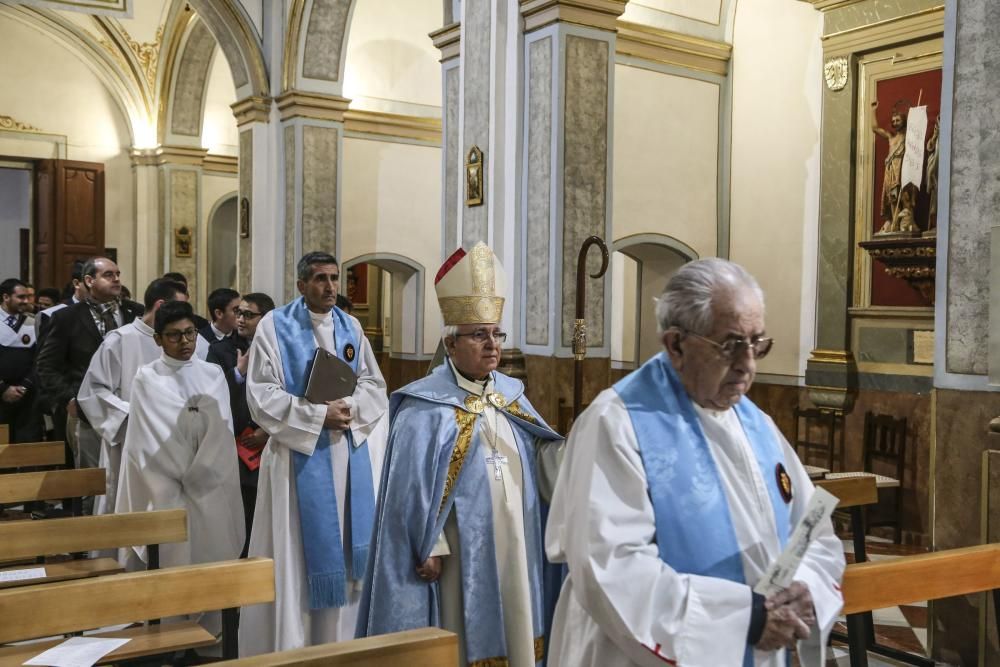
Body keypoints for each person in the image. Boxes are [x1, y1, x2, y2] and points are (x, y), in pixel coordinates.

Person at [544, 258, 845, 667]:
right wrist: (746, 620)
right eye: (731, 344)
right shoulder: (616, 424)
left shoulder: (757, 425)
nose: (748, 364)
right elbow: (612, 569)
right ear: (676, 345)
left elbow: (813, 534)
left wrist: (807, 588)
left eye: (757, 343)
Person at [357, 242, 563, 667]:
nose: (492, 345)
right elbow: (407, 490)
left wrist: (575, 463)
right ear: (450, 345)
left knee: (519, 627)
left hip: (516, 540)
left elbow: (542, 455)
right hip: (462, 556)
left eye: (497, 334)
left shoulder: (512, 396)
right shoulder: (423, 407)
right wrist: (430, 541)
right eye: (479, 335)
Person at [239, 251, 388, 655]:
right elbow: (261, 394)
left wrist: (349, 412)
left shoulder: (350, 325)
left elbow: (375, 385)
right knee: (296, 558)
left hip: (345, 457)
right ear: (302, 284)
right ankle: (295, 648)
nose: (330, 287)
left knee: (344, 549)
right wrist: (317, 416)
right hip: (296, 460)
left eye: (335, 278)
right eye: (320, 279)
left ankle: (343, 648)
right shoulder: (274, 325)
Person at [114, 300, 244, 577]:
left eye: (190, 333)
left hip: (210, 483)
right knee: (170, 561)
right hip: (166, 485)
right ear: (158, 339)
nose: (184, 341)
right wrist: (188, 475)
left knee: (211, 566)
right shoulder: (147, 378)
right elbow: (150, 438)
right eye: (174, 335)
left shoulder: (213, 374)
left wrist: (203, 472)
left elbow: (222, 433)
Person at [77, 278, 206, 517]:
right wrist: (137, 417)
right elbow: (93, 391)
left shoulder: (199, 344)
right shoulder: (120, 340)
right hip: (131, 440)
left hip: (182, 444)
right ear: (160, 306)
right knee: (130, 507)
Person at [35, 257, 144, 503]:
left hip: (130, 408)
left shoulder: (135, 312)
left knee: (130, 479)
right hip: (87, 412)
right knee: (92, 484)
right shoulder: (67, 317)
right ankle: (92, 539)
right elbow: (46, 366)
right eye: (108, 275)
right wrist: (69, 398)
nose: (116, 278)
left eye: (117, 273)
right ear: (88, 280)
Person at [206, 292, 275, 556]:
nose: (241, 319)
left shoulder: (278, 349)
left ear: (266, 318)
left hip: (270, 442)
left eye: (249, 314)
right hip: (235, 444)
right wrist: (237, 373)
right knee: (240, 516)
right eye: (239, 313)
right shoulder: (220, 350)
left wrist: (267, 431)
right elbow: (210, 394)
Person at [0, 279, 41, 442]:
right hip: (1, 396)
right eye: (21, 297)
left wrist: (25, 386)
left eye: (28, 297)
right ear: (6, 297)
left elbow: (39, 359)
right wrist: (3, 389)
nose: (26, 301)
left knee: (27, 450)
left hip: (27, 397)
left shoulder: (34, 322)